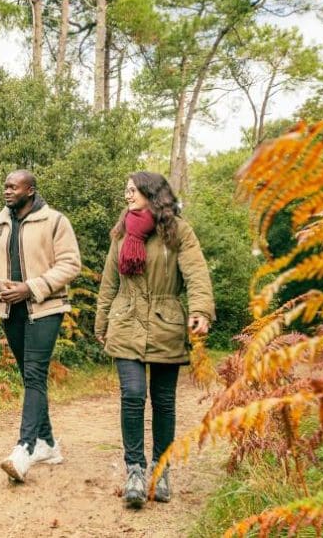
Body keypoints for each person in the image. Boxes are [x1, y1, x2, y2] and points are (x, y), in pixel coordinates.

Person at [94, 171, 214, 508]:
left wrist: (201, 309)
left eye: (132, 190)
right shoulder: (121, 233)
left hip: (166, 324)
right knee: (132, 394)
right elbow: (109, 283)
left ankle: (161, 470)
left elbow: (196, 273)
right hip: (126, 322)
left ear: (151, 193)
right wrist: (101, 321)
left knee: (163, 401)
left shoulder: (178, 231)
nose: (127, 196)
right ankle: (135, 470)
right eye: (126, 190)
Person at [0, 169, 81, 483]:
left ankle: (24, 449)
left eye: (13, 186)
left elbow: (71, 263)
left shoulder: (55, 221)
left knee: (35, 372)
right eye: (5, 186)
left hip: (46, 307)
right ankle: (48, 444)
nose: (7, 191)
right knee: (29, 375)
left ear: (30, 190)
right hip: (10, 309)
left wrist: (32, 286)